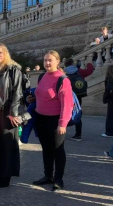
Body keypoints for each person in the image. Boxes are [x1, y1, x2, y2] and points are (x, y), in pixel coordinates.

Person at [32, 50, 73, 191]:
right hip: (41, 119)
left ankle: (58, 179)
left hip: (55, 121)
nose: (47, 63)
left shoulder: (63, 79)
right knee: (46, 150)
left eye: (50, 60)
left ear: (57, 61)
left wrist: (62, 123)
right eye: (45, 60)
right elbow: (40, 95)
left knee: (58, 150)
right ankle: (47, 175)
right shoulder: (42, 76)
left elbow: (67, 104)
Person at [0, 43, 22, 188]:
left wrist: (13, 113)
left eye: (0, 52)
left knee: (8, 145)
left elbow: (17, 93)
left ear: (5, 54)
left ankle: (5, 176)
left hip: (7, 112)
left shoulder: (13, 70)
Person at [64, 58, 93, 141]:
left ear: (65, 64)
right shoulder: (79, 70)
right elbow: (89, 71)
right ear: (73, 63)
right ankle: (78, 134)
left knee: (64, 113)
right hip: (78, 96)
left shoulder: (64, 72)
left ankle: (61, 131)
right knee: (77, 113)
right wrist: (89, 63)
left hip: (67, 95)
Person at [103, 65, 113, 138]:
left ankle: (109, 132)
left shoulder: (109, 79)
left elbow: (108, 89)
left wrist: (106, 98)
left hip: (111, 99)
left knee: (110, 116)